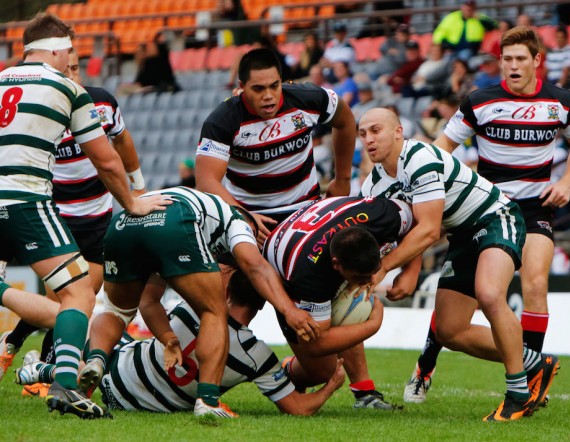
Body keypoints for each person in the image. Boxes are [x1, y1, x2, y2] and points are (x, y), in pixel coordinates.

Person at [408, 26, 570, 405]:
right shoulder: (478, 101)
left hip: (536, 205)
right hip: (484, 206)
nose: (512, 65)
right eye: (506, 59)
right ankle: (426, 365)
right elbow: (442, 147)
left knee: (536, 284)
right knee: (458, 293)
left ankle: (532, 377)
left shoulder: (561, 101)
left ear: (537, 61)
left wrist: (568, 182)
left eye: (520, 58)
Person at [0, 13, 169, 419]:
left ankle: (31, 356)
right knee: (78, 292)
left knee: (66, 291)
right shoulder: (67, 89)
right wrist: (134, 202)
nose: (71, 62)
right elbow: (107, 160)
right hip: (27, 201)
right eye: (70, 54)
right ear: (58, 51)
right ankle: (65, 385)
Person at [358, 107, 560, 421]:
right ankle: (534, 362)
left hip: (496, 217)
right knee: (450, 330)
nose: (369, 139)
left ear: (398, 131)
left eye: (376, 130)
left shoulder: (420, 158)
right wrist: (408, 273)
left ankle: (518, 394)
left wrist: (385, 268)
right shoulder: (372, 188)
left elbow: (427, 229)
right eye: (363, 133)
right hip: (462, 235)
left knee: (490, 294)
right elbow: (410, 228)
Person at [78, 186, 321, 418]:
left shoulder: (206, 214)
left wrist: (168, 339)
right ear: (251, 226)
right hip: (174, 218)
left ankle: (97, 359)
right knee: (213, 311)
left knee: (116, 311)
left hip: (126, 220)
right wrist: (289, 310)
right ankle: (208, 400)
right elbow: (255, 266)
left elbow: (149, 301)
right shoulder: (237, 221)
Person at [16, 269, 346, 415]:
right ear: (264, 304)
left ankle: (46, 369)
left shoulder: (193, 308)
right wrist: (331, 384)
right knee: (117, 339)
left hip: (118, 377)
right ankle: (44, 370)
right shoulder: (258, 356)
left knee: (92, 320)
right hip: (150, 405)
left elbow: (151, 300)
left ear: (228, 290)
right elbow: (298, 408)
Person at [264, 196, 417, 409]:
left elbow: (419, 223)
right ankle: (286, 369)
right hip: (278, 269)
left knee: (351, 304)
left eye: (373, 274)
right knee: (323, 371)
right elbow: (318, 343)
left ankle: (365, 395)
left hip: (306, 236)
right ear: (336, 265)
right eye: (361, 277)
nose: (370, 282)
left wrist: (411, 271)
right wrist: (372, 325)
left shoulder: (385, 216)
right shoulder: (310, 277)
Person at [195, 48, 356, 244]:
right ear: (242, 86)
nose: (269, 95)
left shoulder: (309, 98)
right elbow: (206, 181)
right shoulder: (222, 121)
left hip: (306, 208)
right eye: (258, 89)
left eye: (274, 85)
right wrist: (242, 216)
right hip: (252, 215)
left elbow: (345, 120)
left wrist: (343, 180)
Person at [431, 0, 497, 61]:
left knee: (462, 58)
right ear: (462, 7)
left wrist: (480, 19)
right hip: (451, 49)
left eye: (471, 8)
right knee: (446, 60)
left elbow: (493, 25)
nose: (468, 10)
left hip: (469, 49)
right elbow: (440, 31)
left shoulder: (480, 18)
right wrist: (439, 45)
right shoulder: (452, 17)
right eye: (467, 7)